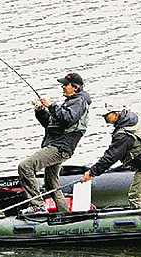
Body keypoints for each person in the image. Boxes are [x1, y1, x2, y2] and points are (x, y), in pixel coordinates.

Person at [18, 73, 91, 214]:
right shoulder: (71, 102)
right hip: (56, 145)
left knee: (25, 166)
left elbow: (67, 118)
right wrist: (40, 111)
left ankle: (38, 206)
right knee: (51, 182)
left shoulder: (79, 102)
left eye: (65, 84)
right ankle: (65, 214)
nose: (62, 86)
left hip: (59, 147)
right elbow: (51, 124)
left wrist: (51, 105)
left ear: (74, 87)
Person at [81, 104, 141, 209]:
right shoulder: (132, 117)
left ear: (116, 114)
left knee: (136, 197)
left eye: (106, 115)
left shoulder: (124, 134)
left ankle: (138, 221)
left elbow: (111, 157)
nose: (104, 117)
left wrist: (92, 172)